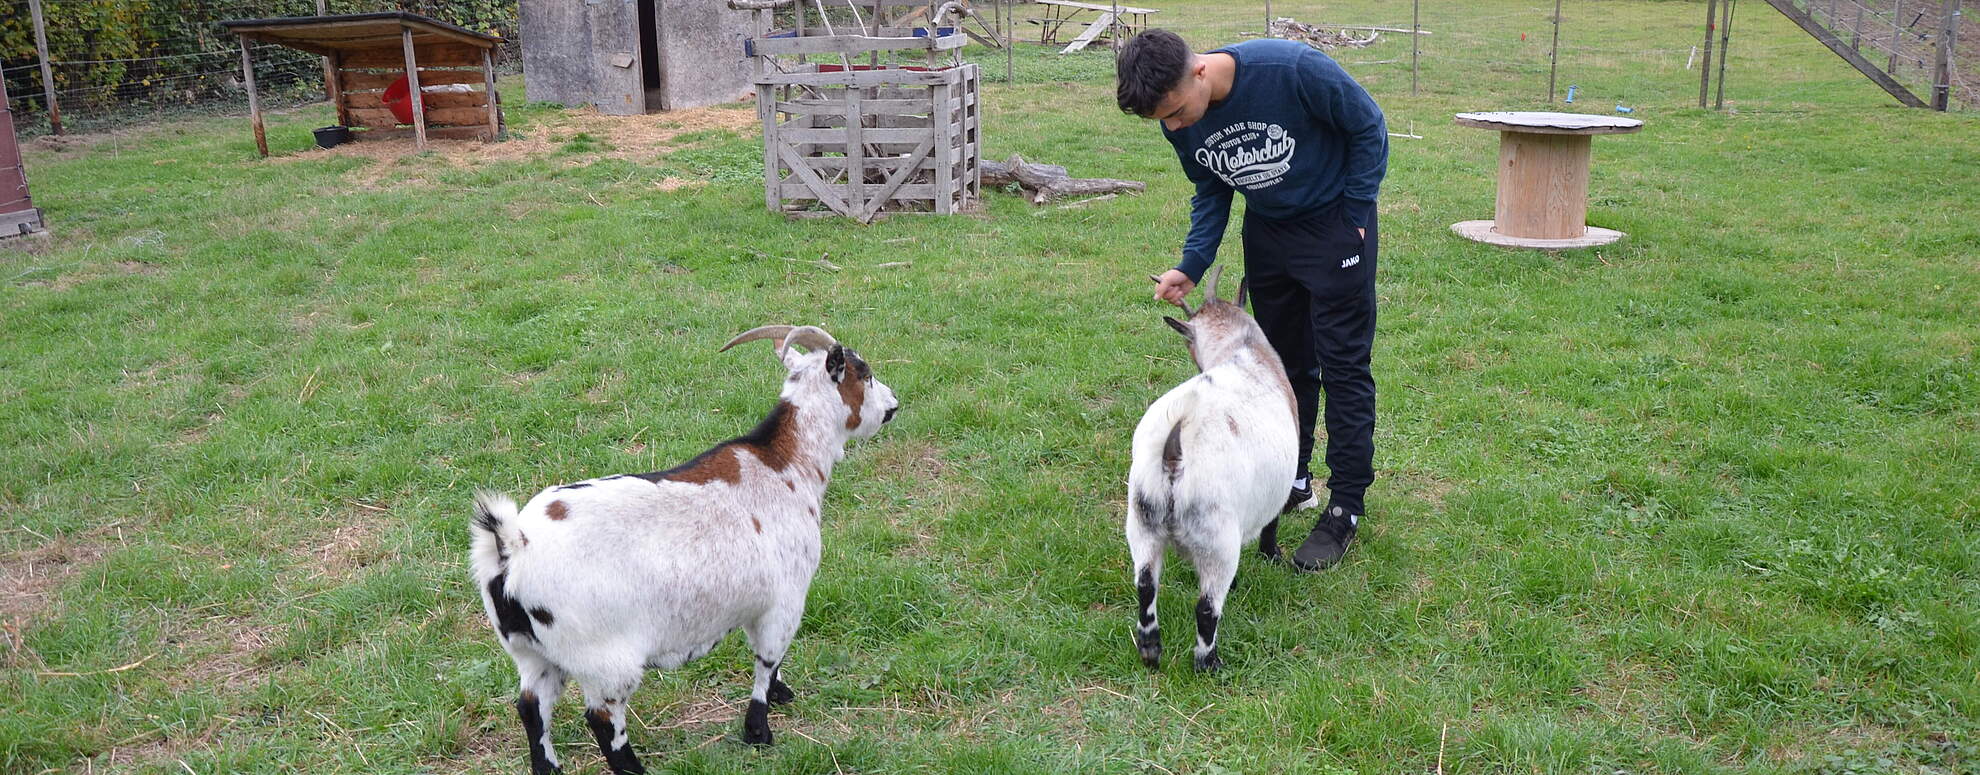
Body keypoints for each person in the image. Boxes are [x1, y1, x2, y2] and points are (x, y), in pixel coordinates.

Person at [1117, 29, 1388, 571]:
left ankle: (1346, 506)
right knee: (1282, 370)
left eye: (1174, 112)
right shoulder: (1180, 120)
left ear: (1198, 72)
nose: (1173, 127)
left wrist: (1355, 217)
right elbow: (1212, 187)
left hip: (1335, 228)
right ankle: (1294, 478)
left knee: (1342, 365)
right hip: (1269, 237)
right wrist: (1191, 265)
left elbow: (1369, 127)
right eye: (1162, 122)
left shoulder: (1291, 70)